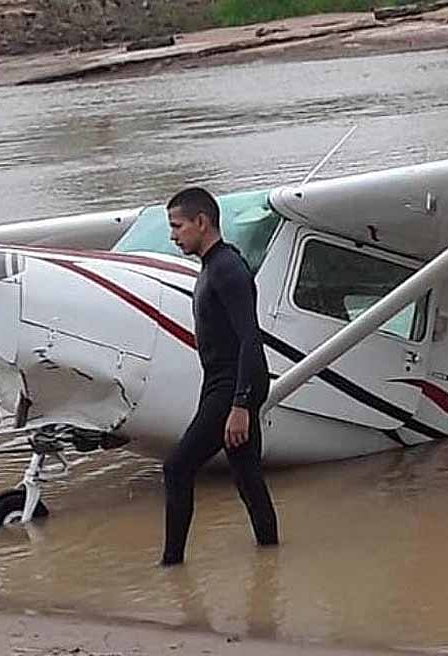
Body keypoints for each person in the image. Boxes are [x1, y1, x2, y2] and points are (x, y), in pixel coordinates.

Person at [160, 186, 279, 567]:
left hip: (233, 386)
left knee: (177, 467)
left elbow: (250, 338)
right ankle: (270, 553)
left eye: (177, 226)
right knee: (246, 474)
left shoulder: (227, 268)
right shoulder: (212, 267)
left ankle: (171, 565)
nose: (173, 235)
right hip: (224, 384)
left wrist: (241, 404)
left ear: (201, 221)